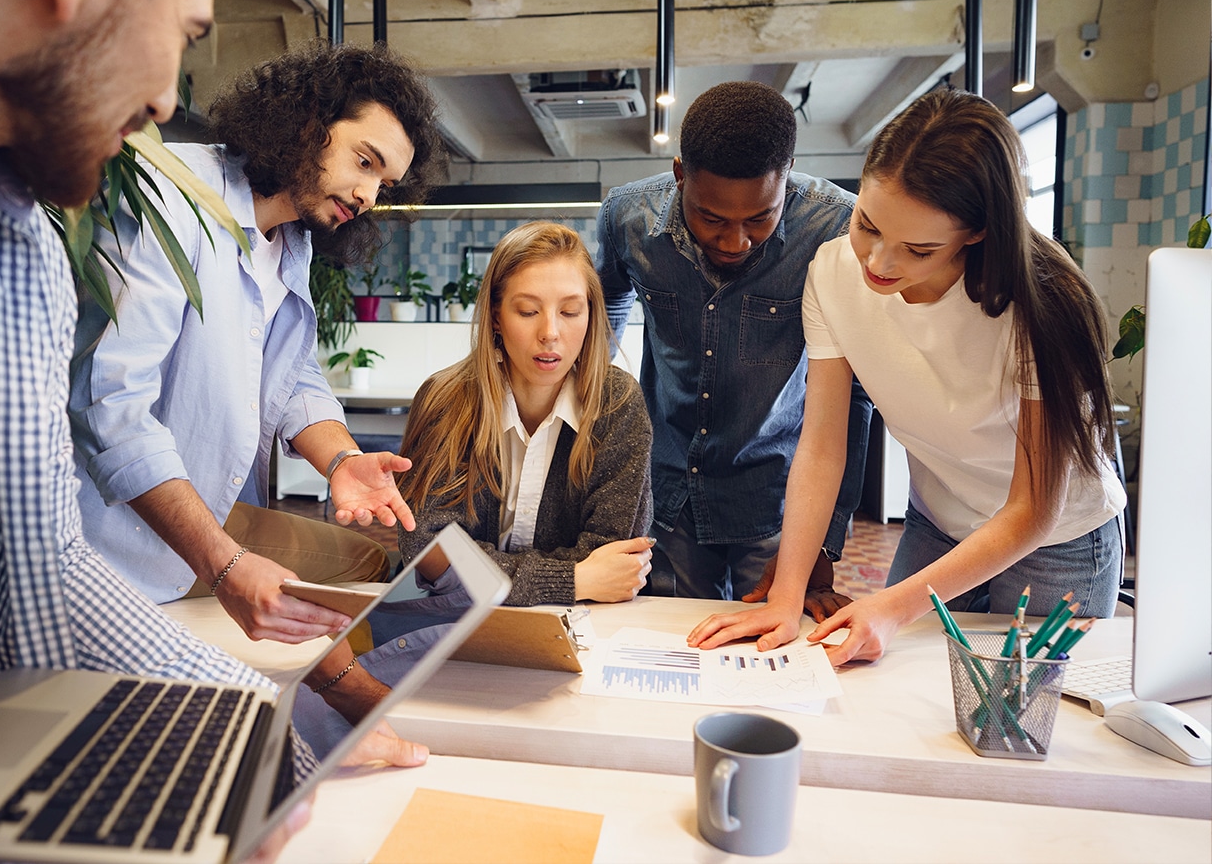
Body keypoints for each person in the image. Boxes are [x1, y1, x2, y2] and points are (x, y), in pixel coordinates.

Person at [0, 0, 422, 832]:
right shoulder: (164, 204)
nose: (168, 100)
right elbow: (114, 419)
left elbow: (44, 564)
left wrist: (267, 751)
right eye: (183, 29)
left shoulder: (14, 246)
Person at [688, 89, 1126, 666]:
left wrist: (893, 607)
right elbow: (821, 448)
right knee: (901, 701)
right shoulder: (832, 274)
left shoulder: (1043, 307)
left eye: (918, 249)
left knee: (1019, 724)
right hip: (939, 518)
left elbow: (1033, 509)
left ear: (977, 232)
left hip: (1058, 538)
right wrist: (785, 597)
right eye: (867, 225)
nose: (879, 263)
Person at [69, 42, 446, 666]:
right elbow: (111, 405)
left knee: (370, 563)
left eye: (385, 181)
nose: (370, 195)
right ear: (308, 122)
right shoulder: (175, 196)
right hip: (105, 543)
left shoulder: (292, 237)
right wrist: (226, 567)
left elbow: (294, 373)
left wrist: (342, 461)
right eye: (365, 160)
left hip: (207, 516)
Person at [596, 81, 872, 608]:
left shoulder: (837, 227)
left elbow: (855, 393)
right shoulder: (627, 217)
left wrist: (826, 537)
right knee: (675, 646)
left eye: (759, 219)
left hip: (778, 498)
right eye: (712, 218)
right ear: (680, 176)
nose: (734, 241)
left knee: (769, 652)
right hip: (668, 487)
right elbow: (604, 304)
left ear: (787, 178)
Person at [396, 222, 655, 606]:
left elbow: (615, 561)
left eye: (570, 311)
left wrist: (479, 571)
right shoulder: (445, 399)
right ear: (497, 317)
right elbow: (428, 549)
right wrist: (574, 579)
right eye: (528, 311)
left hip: (586, 626)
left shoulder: (618, 404)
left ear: (591, 316)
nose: (550, 332)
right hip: (451, 622)